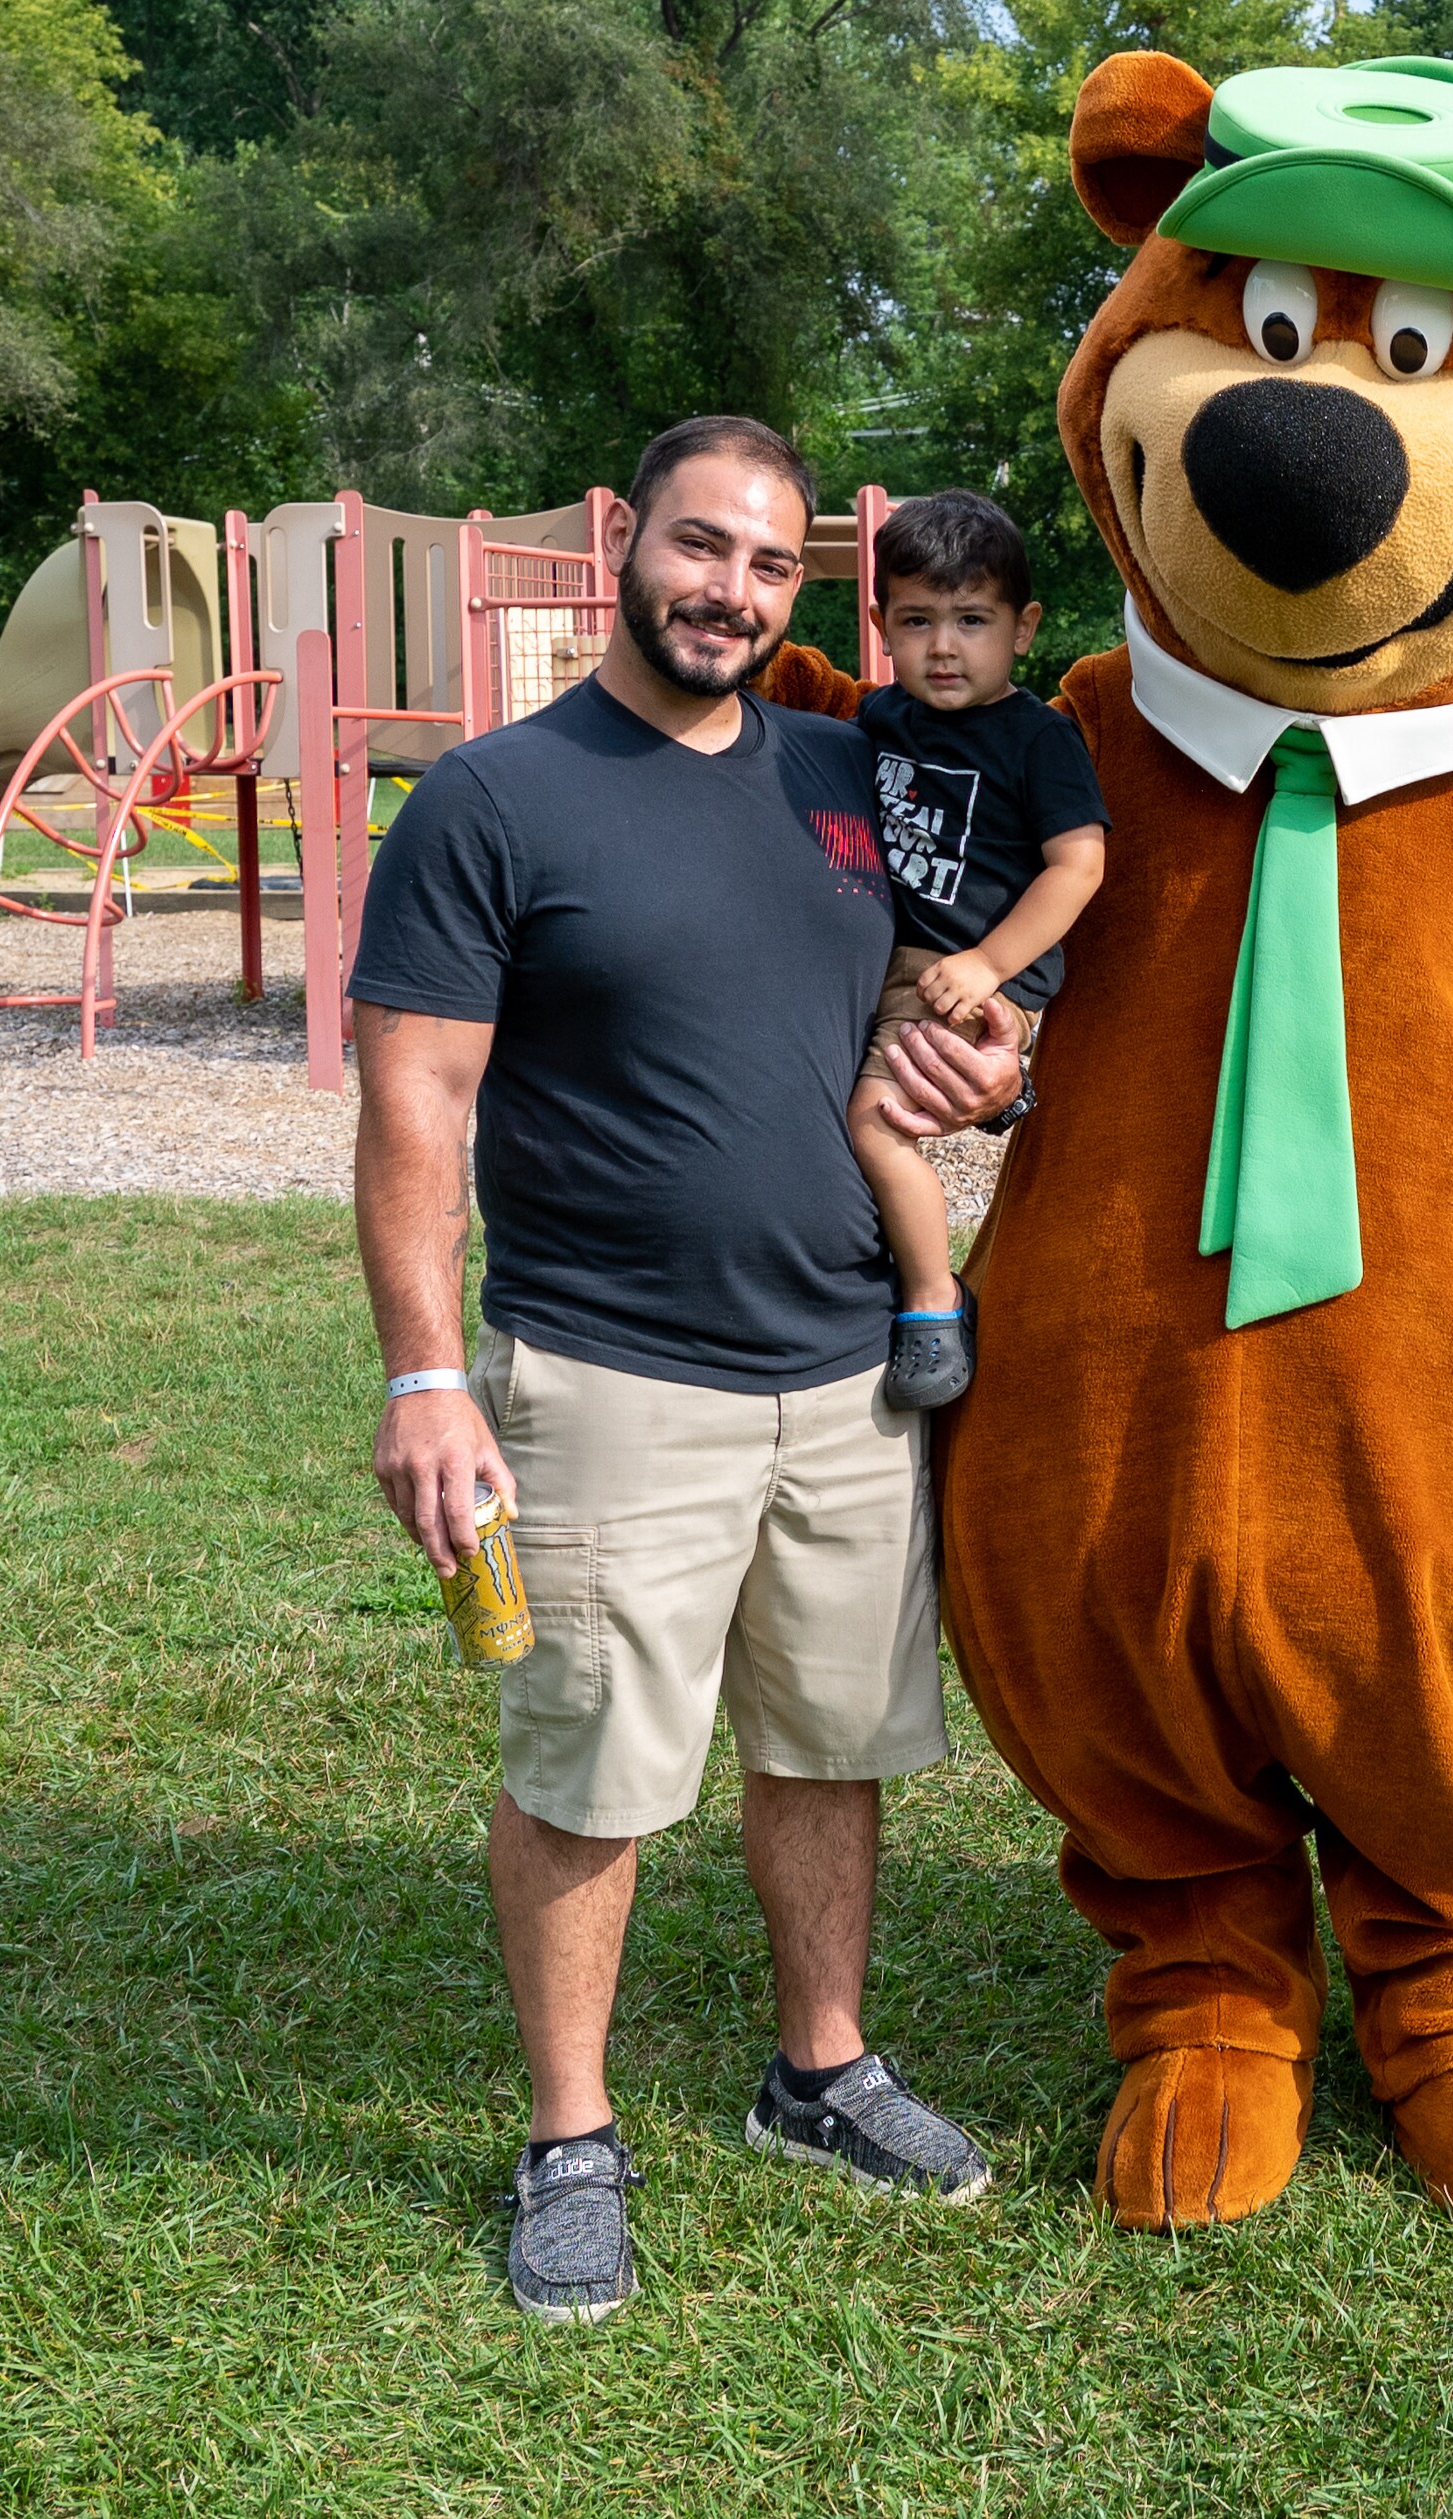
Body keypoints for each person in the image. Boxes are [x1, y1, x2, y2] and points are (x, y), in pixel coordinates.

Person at [348, 414, 1027, 2325]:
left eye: (767, 564)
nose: (728, 589)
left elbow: (925, 994)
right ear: (622, 551)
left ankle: (819, 2068)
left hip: (846, 1368)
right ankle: (570, 2138)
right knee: (590, 1778)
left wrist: (979, 1054)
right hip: (607, 1374)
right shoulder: (492, 801)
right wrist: (424, 1374)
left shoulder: (840, 772)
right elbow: (413, 1096)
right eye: (698, 546)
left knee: (831, 1743)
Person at [844, 490, 1109, 1408]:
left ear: (1023, 628)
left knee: (875, 1123)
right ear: (880, 624)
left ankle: (929, 1302)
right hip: (887, 957)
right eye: (917, 620)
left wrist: (990, 966)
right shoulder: (881, 720)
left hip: (963, 977)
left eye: (971, 620)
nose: (944, 646)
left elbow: (1078, 866)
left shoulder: (1037, 739)